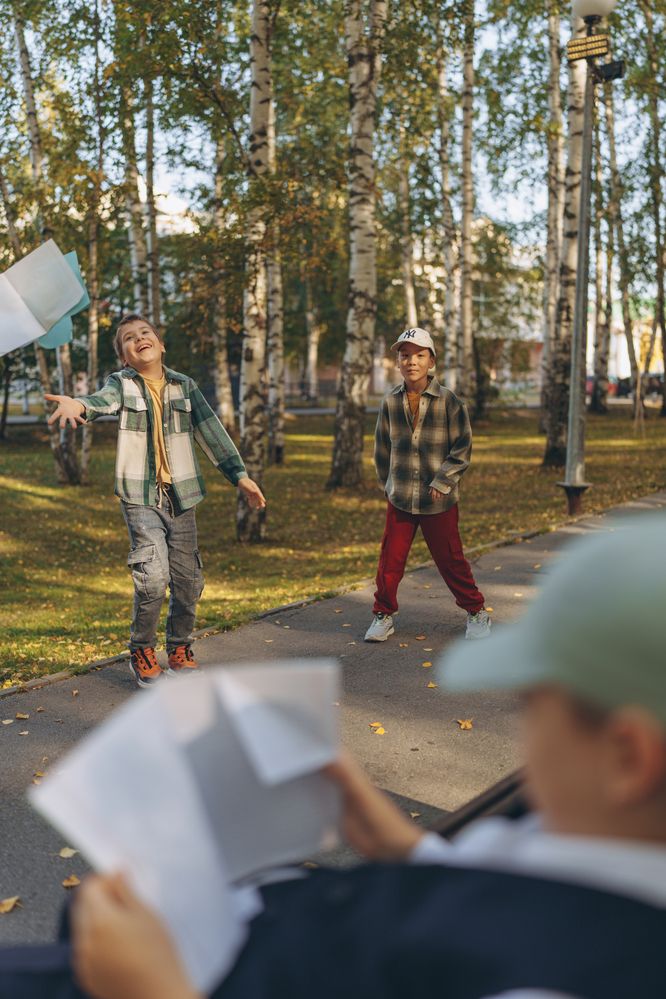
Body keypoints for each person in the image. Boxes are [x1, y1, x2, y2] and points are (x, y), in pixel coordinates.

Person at [1, 517, 664, 999]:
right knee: (92, 914)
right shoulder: (595, 843)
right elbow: (499, 909)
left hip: (209, 973)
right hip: (304, 932)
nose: (523, 728)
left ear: (625, 758)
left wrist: (154, 989)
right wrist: (400, 844)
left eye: (529, 704)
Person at [43, 314, 265, 688]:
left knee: (189, 580)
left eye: (145, 333)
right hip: (141, 498)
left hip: (182, 498)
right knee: (152, 578)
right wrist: (79, 405)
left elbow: (211, 431)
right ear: (125, 357)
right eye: (129, 338)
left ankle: (179, 648)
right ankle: (142, 649)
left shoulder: (185, 386)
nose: (139, 338)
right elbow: (101, 401)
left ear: (161, 345)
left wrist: (239, 476)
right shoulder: (122, 384)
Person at [365, 327, 490, 643]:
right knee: (390, 560)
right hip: (401, 498)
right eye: (405, 356)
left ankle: (476, 611)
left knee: (451, 560)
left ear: (431, 361)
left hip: (438, 500)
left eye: (419, 356)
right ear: (398, 362)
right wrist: (388, 485)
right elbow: (382, 449)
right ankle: (383, 614)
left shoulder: (450, 402)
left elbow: (462, 447)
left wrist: (443, 480)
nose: (412, 362)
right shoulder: (390, 403)